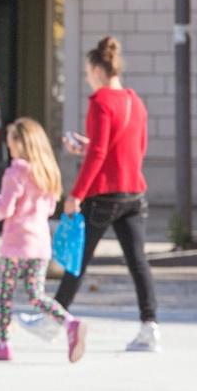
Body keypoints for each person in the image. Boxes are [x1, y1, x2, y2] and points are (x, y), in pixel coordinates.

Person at [57, 36, 161, 352]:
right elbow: (135, 148)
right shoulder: (135, 101)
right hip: (134, 192)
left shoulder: (101, 101)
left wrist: (76, 194)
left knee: (78, 257)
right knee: (138, 261)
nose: (88, 79)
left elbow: (100, 153)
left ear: (98, 71)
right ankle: (150, 326)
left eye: (88, 73)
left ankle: (54, 316)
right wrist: (88, 148)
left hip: (103, 195)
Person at [0, 118, 87, 363]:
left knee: (5, 295)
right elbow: (50, 209)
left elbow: (4, 209)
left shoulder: (15, 172)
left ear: (20, 143)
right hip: (39, 245)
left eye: (10, 143)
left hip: (15, 244)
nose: (9, 148)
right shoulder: (46, 172)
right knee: (36, 295)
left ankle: (4, 343)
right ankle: (70, 322)